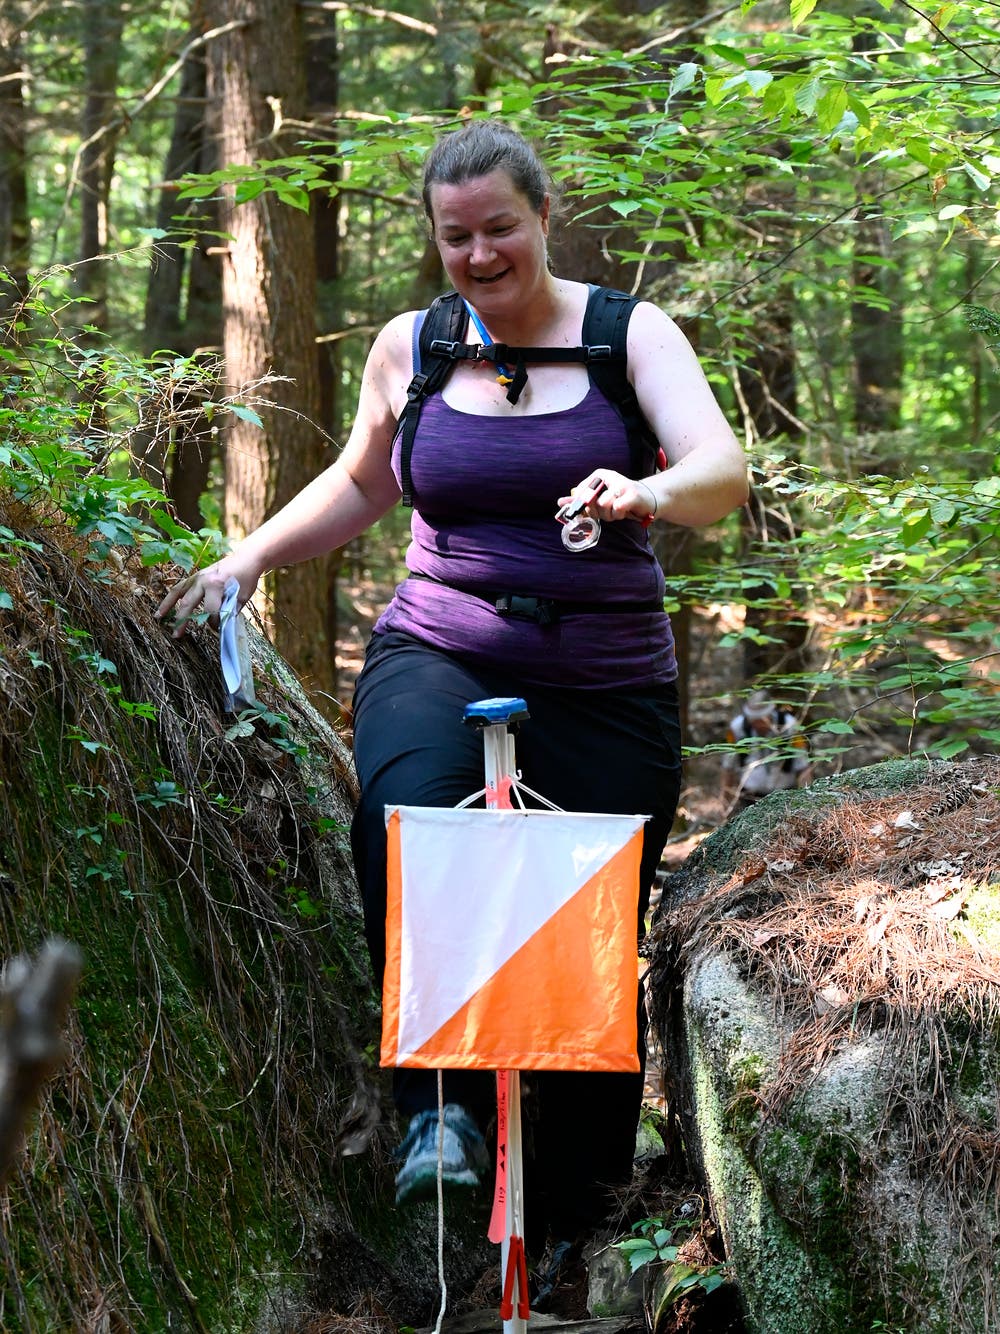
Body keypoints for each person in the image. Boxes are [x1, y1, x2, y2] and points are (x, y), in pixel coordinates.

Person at [156, 119, 748, 1264]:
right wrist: (250, 556)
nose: (478, 255)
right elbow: (362, 479)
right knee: (409, 819)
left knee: (580, 919)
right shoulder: (413, 345)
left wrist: (642, 490)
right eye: (454, 236)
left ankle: (577, 1210)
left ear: (541, 217)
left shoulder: (629, 335)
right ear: (435, 238)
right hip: (442, 642)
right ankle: (440, 1105)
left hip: (603, 677)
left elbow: (718, 472)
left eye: (499, 230)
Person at [720, 690, 812, 810]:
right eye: (753, 720)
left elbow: (803, 767)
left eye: (761, 720)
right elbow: (728, 767)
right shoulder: (737, 729)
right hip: (750, 797)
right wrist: (726, 801)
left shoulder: (789, 727)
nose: (758, 725)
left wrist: (806, 801)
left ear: (770, 713)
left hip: (785, 795)